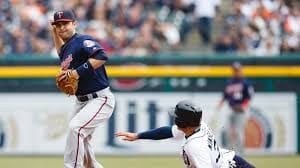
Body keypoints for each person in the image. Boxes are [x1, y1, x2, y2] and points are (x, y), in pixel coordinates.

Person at [50, 10, 115, 168]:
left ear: (74, 23)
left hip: (100, 99)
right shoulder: (67, 47)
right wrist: (54, 34)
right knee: (82, 140)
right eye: (58, 25)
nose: (61, 28)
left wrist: (76, 73)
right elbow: (61, 53)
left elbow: (101, 56)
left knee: (76, 129)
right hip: (82, 101)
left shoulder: (83, 40)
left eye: (65, 24)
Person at [116, 100, 255, 168]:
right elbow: (166, 131)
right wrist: (138, 136)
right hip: (232, 161)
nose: (174, 118)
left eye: (176, 116)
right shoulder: (196, 127)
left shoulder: (194, 145)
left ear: (183, 121)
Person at [217, 62, 254, 155]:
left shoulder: (245, 83)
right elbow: (225, 95)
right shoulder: (229, 82)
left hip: (241, 111)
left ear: (241, 70)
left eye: (237, 70)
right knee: (227, 131)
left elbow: (249, 96)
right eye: (234, 70)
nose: (236, 72)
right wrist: (221, 103)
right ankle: (228, 154)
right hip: (231, 109)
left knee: (238, 132)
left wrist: (244, 106)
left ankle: (241, 154)